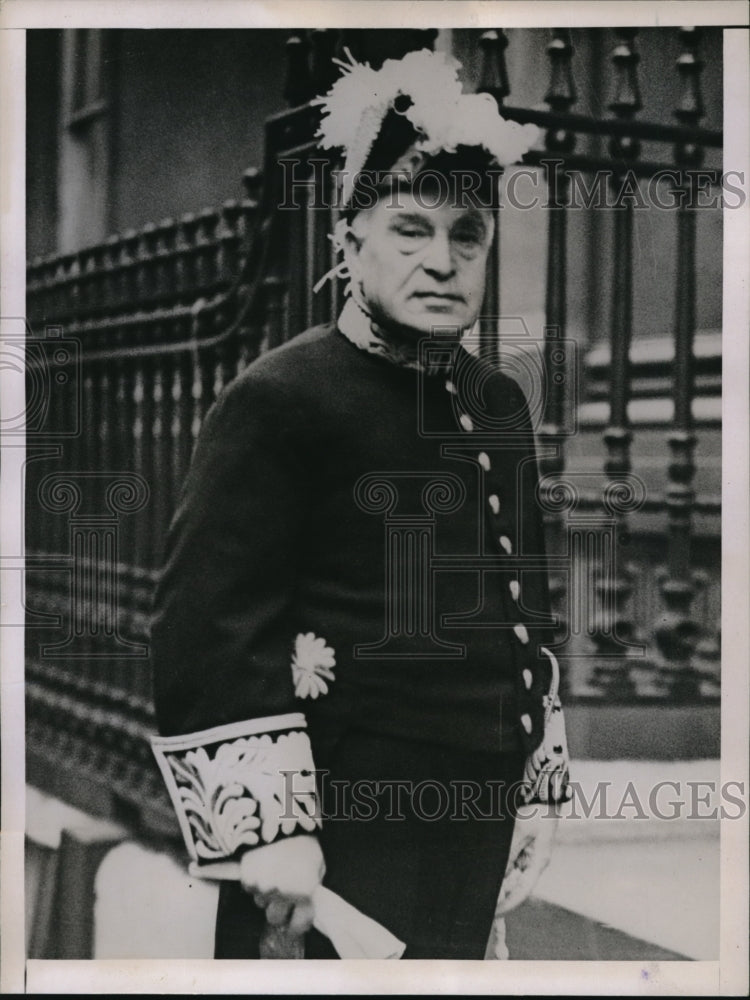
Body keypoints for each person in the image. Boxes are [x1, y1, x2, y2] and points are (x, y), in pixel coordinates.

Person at [150, 47, 570, 960]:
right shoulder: (281, 396)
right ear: (351, 243)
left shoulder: (495, 404)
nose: (442, 260)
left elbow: (522, 605)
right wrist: (272, 828)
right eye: (410, 230)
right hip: (336, 836)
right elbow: (208, 624)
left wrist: (535, 780)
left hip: (472, 815)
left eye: (467, 236)